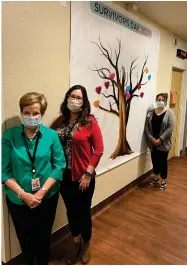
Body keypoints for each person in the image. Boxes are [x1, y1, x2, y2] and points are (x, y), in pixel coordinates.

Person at [2, 92, 66, 265]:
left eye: (35, 113)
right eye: (26, 112)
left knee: (44, 237)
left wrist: (41, 193)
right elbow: (4, 171)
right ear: (21, 113)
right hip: (18, 200)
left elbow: (59, 165)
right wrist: (24, 195)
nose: (31, 117)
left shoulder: (51, 135)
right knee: (25, 239)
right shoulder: (9, 136)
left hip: (47, 198)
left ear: (42, 114)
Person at [51, 85, 104, 264]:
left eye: (78, 97)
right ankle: (75, 243)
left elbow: (99, 150)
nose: (74, 100)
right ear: (67, 98)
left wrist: (88, 174)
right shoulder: (59, 122)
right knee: (71, 211)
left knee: (83, 213)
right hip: (63, 177)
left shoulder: (89, 122)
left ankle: (87, 243)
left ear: (84, 102)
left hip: (83, 177)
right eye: (72, 96)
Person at [145, 93, 175, 190]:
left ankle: (163, 181)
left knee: (163, 163)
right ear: (156, 100)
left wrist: (160, 139)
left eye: (162, 100)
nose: (160, 101)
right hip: (153, 143)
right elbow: (147, 127)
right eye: (158, 99)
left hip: (164, 144)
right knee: (155, 161)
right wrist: (151, 138)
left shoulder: (169, 112)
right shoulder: (151, 112)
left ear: (165, 101)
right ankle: (156, 178)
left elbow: (170, 128)